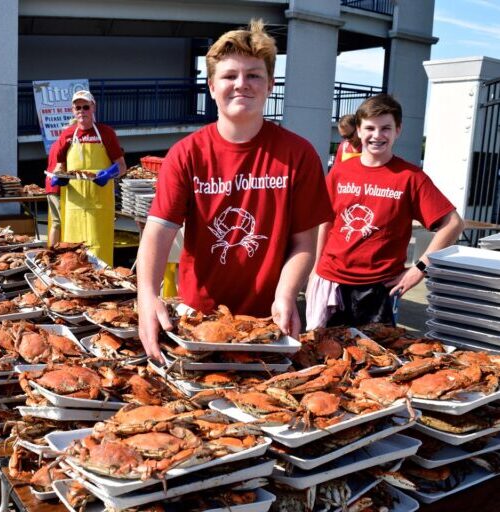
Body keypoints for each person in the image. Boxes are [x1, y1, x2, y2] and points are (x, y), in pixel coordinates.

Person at [137, 19, 332, 362]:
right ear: (211, 86)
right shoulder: (186, 154)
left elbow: (304, 243)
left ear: (271, 84)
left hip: (269, 320)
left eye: (254, 75)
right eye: (229, 76)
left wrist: (287, 294)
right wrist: (147, 298)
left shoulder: (298, 154)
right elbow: (158, 232)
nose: (242, 84)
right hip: (199, 322)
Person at [306, 94, 464, 329]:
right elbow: (325, 223)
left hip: (379, 288)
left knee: (375, 360)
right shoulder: (340, 172)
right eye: (370, 128)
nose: (377, 135)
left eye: (385, 128)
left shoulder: (410, 177)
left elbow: (453, 224)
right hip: (331, 283)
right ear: (358, 130)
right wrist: (314, 271)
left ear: (397, 130)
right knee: (325, 356)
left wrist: (419, 269)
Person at [51, 90, 126, 264]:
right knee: (72, 253)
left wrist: (109, 174)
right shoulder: (67, 135)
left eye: (85, 107)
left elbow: (122, 166)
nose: (81, 111)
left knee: (99, 250)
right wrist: (58, 177)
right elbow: (59, 166)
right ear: (72, 110)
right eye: (78, 107)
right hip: (74, 205)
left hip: (100, 205)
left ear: (93, 108)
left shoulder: (106, 133)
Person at [45, 139, 63, 246]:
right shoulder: (67, 144)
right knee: (60, 222)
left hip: (50, 184)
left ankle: (52, 250)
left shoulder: (55, 144)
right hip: (58, 186)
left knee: (56, 222)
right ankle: (54, 251)